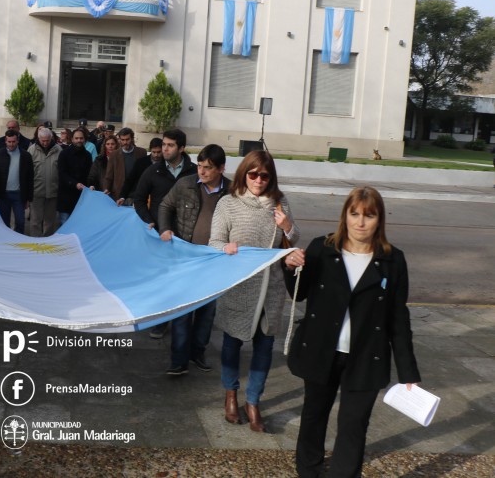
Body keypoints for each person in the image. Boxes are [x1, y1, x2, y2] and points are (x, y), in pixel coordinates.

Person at [283, 187, 420, 477]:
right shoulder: (323, 247)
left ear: (379, 220)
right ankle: (309, 471)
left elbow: (398, 317)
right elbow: (300, 292)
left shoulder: (393, 260)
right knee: (313, 417)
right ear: (344, 216)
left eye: (369, 216)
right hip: (322, 350)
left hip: (366, 356)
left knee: (353, 424)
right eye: (354, 214)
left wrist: (408, 373)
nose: (360, 222)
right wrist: (291, 266)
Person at [209, 149, 299, 433]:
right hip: (239, 287)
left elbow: (293, 243)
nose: (259, 180)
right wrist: (225, 248)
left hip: (270, 289)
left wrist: (287, 227)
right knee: (232, 344)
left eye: (265, 175)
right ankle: (231, 394)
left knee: (264, 347)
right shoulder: (228, 203)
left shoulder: (279, 203)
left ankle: (253, 401)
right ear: (244, 174)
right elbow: (214, 242)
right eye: (253, 174)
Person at [158, 144, 230, 375]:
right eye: (199, 166)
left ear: (221, 168)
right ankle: (178, 360)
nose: (202, 171)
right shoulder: (185, 184)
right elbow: (165, 206)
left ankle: (197, 352)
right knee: (182, 310)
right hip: (185, 259)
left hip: (215, 262)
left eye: (208, 168)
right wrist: (165, 228)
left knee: (207, 312)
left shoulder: (231, 192)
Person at [132, 129, 197, 231]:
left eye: (170, 145)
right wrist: (149, 220)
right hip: (159, 231)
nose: (165, 149)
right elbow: (139, 199)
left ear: (181, 149)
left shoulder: (195, 172)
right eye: (164, 144)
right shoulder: (152, 171)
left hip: (186, 233)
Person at [0, 129, 34, 233]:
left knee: (20, 222)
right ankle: (6, 244)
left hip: (19, 195)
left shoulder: (26, 156)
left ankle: (18, 243)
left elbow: (30, 177)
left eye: (13, 141)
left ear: (18, 141)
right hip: (3, 195)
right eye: (9, 141)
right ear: (5, 141)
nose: (11, 144)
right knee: (4, 222)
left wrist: (29, 198)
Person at [28, 126, 62, 236]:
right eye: (43, 140)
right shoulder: (32, 150)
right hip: (36, 192)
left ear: (51, 138)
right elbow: (27, 172)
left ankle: (47, 242)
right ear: (38, 138)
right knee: (35, 221)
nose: (45, 143)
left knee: (50, 221)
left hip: (53, 191)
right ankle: (36, 241)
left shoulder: (59, 150)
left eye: (47, 140)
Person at [56, 128, 92, 225]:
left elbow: (90, 174)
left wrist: (91, 185)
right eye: (76, 138)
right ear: (72, 139)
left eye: (81, 138)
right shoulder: (64, 154)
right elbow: (62, 173)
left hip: (81, 197)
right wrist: (75, 184)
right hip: (66, 196)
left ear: (84, 139)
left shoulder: (88, 155)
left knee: (79, 225)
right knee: (65, 225)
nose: (79, 140)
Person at [116, 137, 163, 206]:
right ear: (150, 150)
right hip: (140, 198)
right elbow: (130, 180)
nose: (156, 155)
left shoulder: (167, 163)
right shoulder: (141, 162)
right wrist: (122, 197)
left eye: (159, 152)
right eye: (154, 152)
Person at [104, 127, 146, 201]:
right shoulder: (114, 155)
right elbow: (109, 176)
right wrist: (107, 189)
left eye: (127, 139)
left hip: (137, 194)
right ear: (119, 140)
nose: (125, 142)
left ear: (132, 138)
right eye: (122, 140)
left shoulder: (141, 152)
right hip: (119, 194)